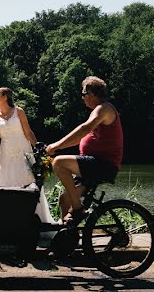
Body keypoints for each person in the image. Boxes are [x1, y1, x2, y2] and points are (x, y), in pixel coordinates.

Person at [46, 76, 122, 224]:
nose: (82, 98)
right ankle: (68, 239)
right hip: (93, 164)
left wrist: (56, 146)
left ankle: (78, 208)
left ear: (91, 94)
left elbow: (85, 128)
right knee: (64, 199)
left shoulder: (104, 109)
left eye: (83, 94)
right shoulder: (98, 110)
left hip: (103, 165)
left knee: (59, 163)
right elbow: (79, 138)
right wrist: (56, 146)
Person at [0, 87, 55, 223]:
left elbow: (28, 133)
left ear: (5, 97)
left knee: (28, 184)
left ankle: (35, 221)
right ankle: (8, 222)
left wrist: (40, 150)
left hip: (23, 151)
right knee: (5, 185)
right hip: (6, 154)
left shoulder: (19, 111)